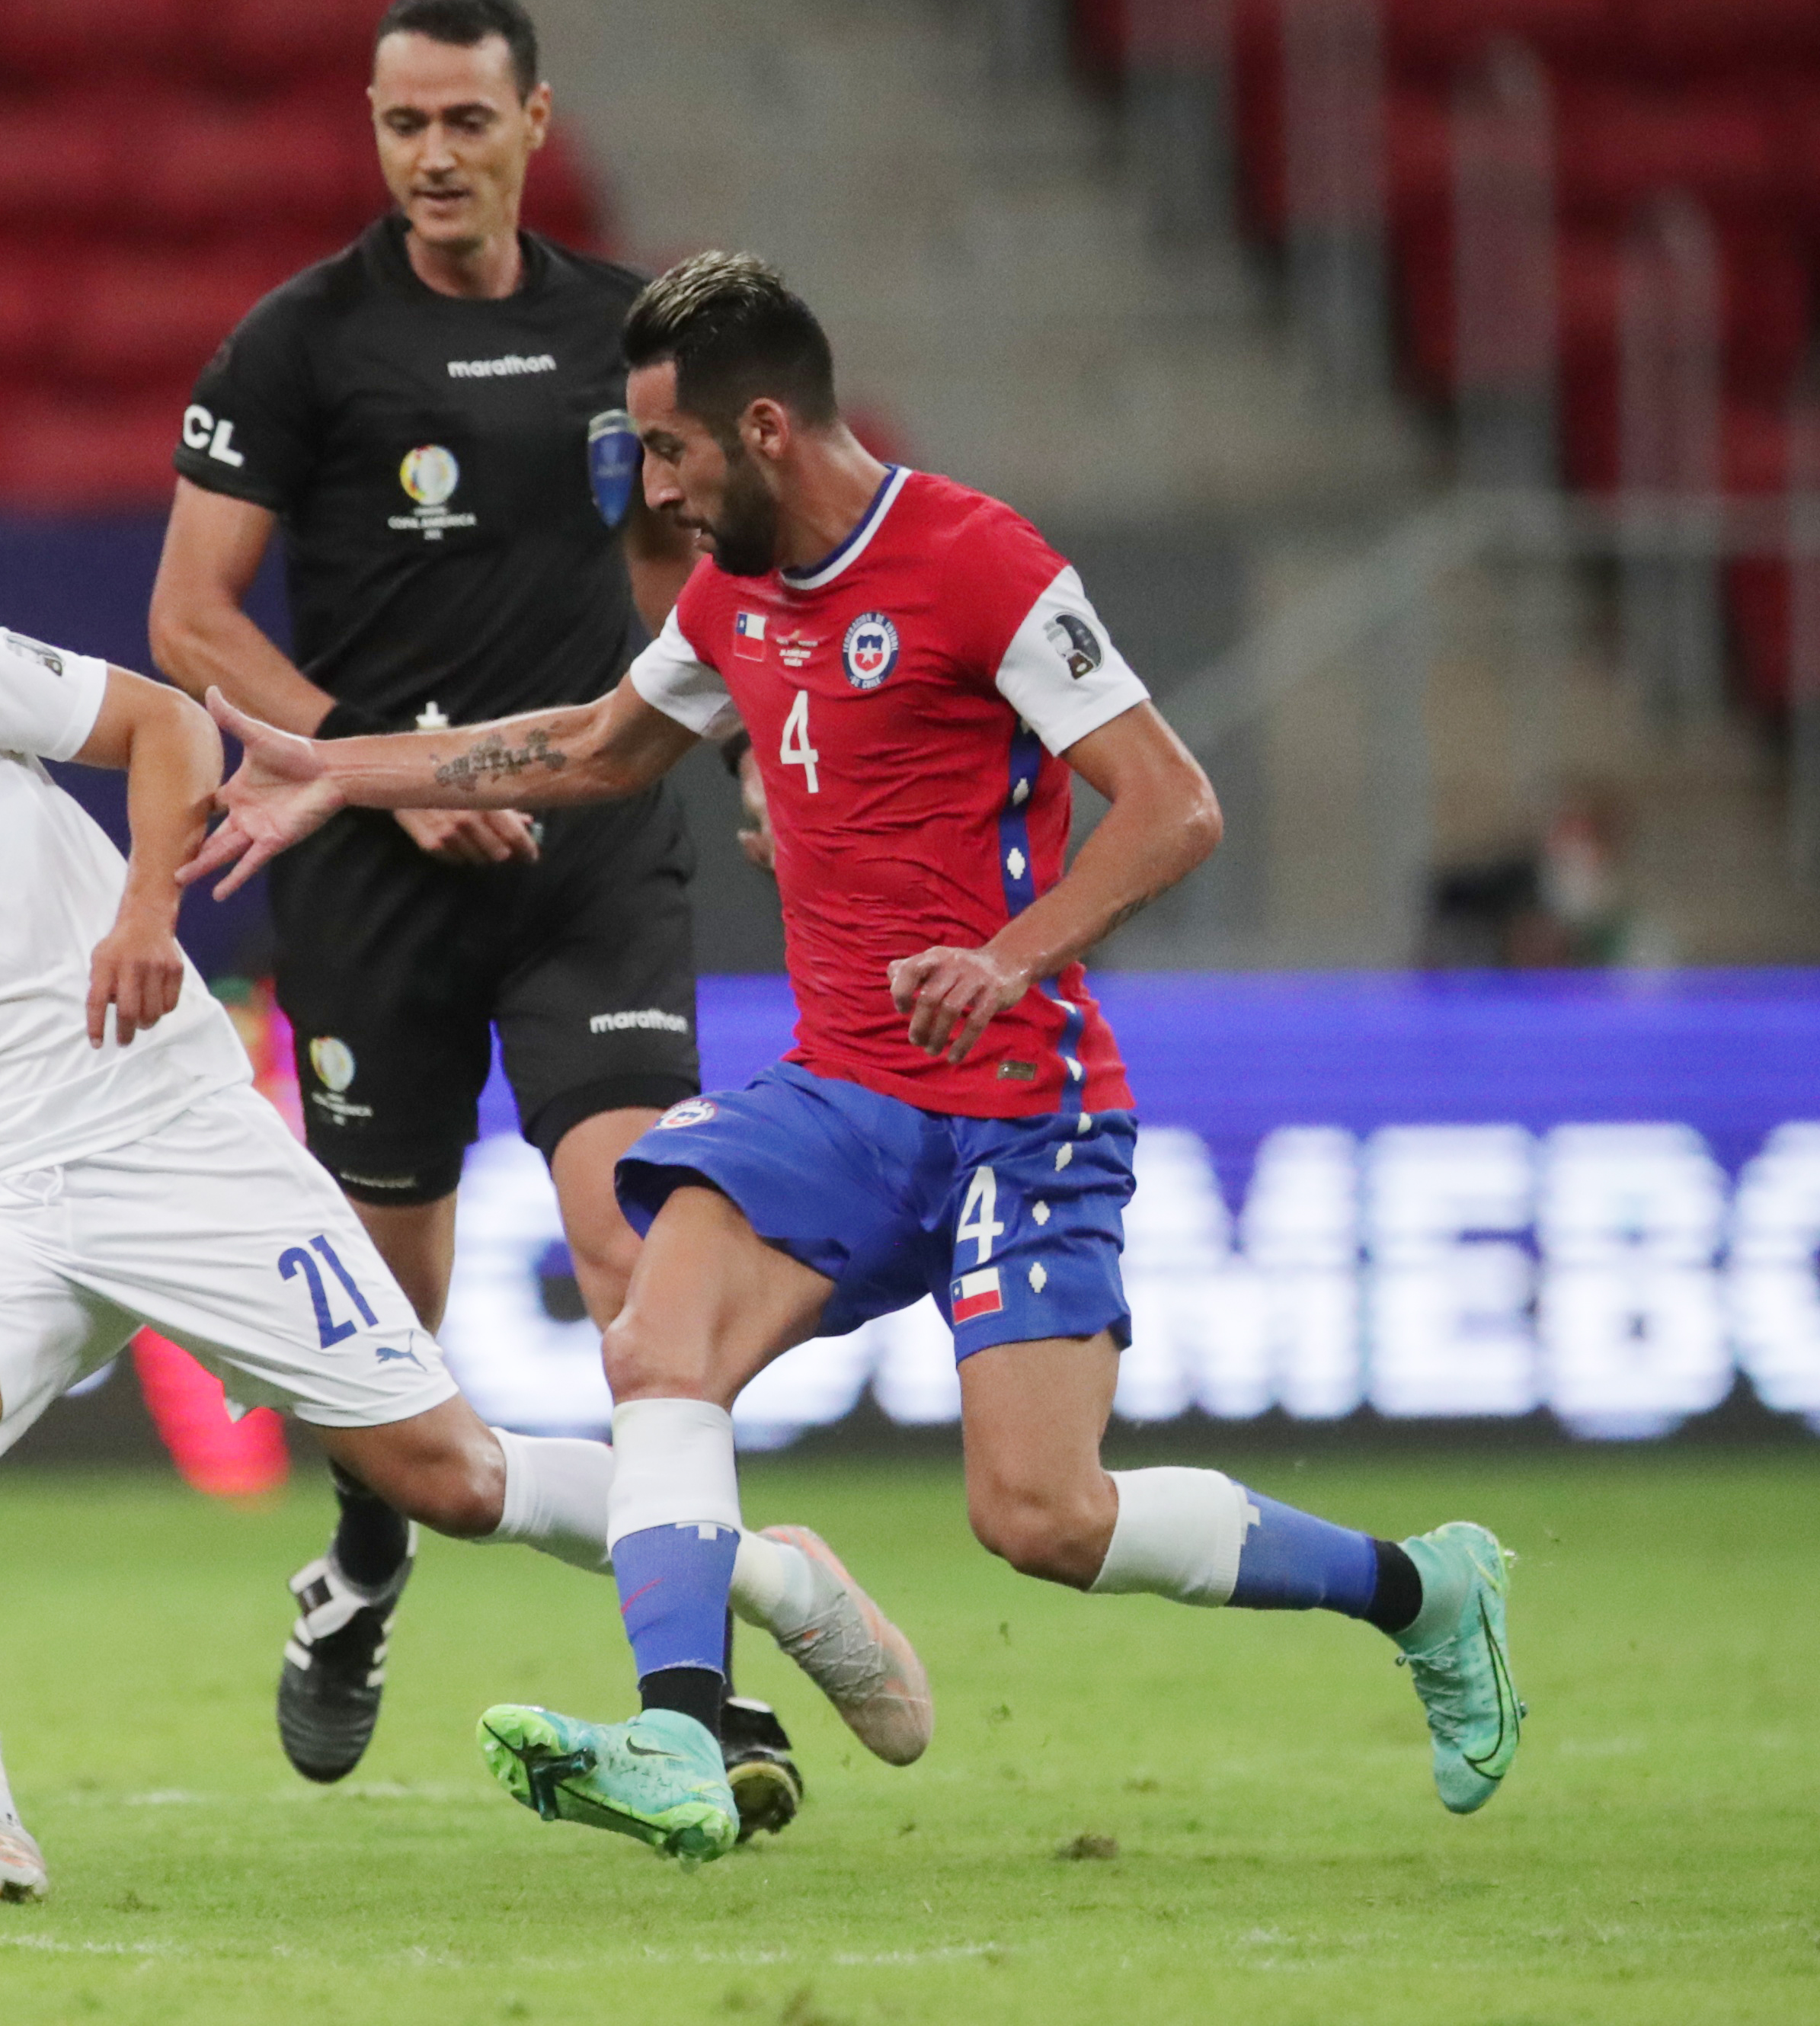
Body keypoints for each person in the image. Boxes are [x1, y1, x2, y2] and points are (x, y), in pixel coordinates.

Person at [184, 253, 1527, 1866]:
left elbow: (1173, 802)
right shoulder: (730, 600)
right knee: (655, 1332)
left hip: (1024, 1104)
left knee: (1043, 1516)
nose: (652, 488)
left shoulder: (981, 564)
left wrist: (1011, 954)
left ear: (764, 430)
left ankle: (1426, 1587)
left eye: (670, 454)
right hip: (845, 1092)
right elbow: (600, 745)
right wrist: (342, 765)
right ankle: (683, 1730)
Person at [0, 500, 930, 1903]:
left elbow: (168, 727)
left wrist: (143, 914)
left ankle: (776, 1577)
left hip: (169, 1127)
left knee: (449, 1477)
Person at [147, 0, 803, 1809]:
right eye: (400, 122)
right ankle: (361, 1572)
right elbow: (189, 619)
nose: (431, 155)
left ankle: (696, 1690)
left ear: (533, 123)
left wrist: (747, 743)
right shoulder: (299, 343)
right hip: (372, 873)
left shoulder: (628, 334)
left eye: (463, 121)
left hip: (592, 854)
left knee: (638, 1251)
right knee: (387, 1311)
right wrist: (376, 765)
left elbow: (702, 571)